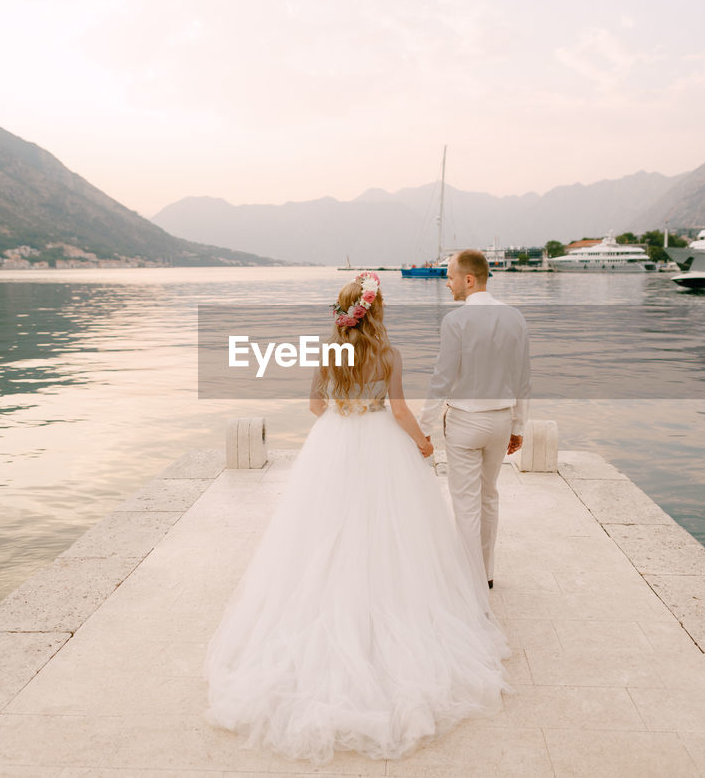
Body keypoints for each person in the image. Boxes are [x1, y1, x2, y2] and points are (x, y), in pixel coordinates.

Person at [204, 271, 510, 765]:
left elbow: (313, 405)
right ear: (377, 310)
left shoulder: (327, 354)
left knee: (326, 530)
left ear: (342, 312)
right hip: (381, 442)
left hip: (335, 441)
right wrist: (423, 443)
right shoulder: (388, 355)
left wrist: (343, 422)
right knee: (392, 532)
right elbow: (401, 410)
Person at [419, 250, 531, 591]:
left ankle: (468, 580)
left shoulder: (456, 322)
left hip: (465, 423)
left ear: (469, 280)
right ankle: (486, 573)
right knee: (488, 496)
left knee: (465, 501)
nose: (448, 283)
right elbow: (523, 377)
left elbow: (441, 379)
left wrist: (423, 428)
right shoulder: (515, 318)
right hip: (499, 421)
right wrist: (518, 426)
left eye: (450, 276)